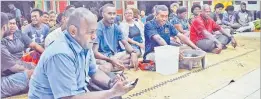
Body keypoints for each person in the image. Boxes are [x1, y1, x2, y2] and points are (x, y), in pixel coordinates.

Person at [28, 7, 135, 99]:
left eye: (95, 31)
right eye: (90, 32)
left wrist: (112, 83)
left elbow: (94, 72)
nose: (94, 36)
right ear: (73, 31)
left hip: (76, 92)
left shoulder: (83, 43)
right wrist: (111, 92)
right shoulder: (60, 53)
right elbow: (69, 97)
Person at [94, 4, 139, 73]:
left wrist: (133, 53)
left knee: (135, 53)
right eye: (109, 14)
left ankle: (116, 66)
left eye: (114, 14)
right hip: (102, 57)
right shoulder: (98, 28)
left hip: (114, 56)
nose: (112, 16)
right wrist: (110, 59)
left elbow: (125, 43)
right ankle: (119, 66)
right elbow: (95, 52)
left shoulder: (116, 27)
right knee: (104, 66)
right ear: (102, 14)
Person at [1, 12, 34, 98]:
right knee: (32, 75)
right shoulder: (2, 45)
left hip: (14, 65)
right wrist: (32, 70)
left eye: (13, 23)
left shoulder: (19, 34)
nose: (11, 26)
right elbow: (14, 67)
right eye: (9, 24)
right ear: (5, 27)